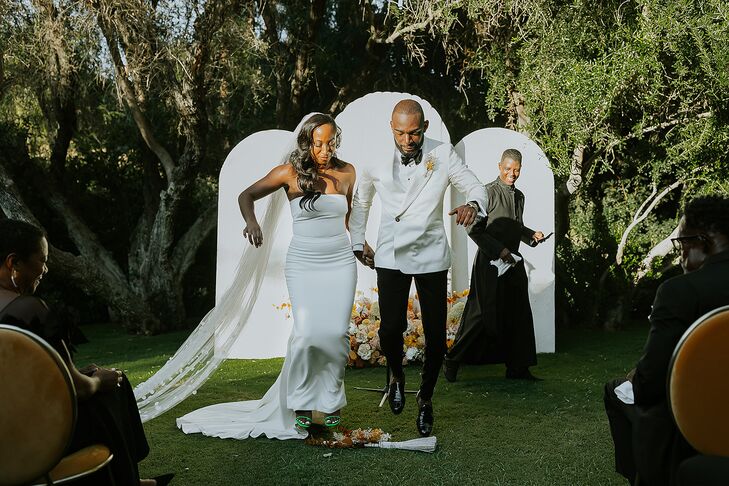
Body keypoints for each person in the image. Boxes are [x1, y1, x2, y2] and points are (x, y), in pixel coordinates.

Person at [177, 113, 357, 439]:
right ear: (307, 142)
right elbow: (245, 195)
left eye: (330, 142)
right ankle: (302, 404)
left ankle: (330, 404)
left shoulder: (347, 172)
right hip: (304, 262)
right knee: (306, 335)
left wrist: (363, 245)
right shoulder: (288, 173)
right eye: (319, 143)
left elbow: (349, 220)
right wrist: (251, 222)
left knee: (336, 335)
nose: (326, 149)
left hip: (341, 262)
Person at [349, 99, 487, 436]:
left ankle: (425, 398)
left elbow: (476, 186)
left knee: (437, 337)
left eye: (413, 133)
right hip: (390, 254)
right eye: (400, 133)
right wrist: (357, 240)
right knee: (389, 329)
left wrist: (473, 204)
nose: (407, 140)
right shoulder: (374, 160)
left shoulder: (443, 154)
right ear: (391, 129)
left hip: (430, 253)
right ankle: (397, 375)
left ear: (424, 128)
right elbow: (362, 202)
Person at [0, 219, 171, 486]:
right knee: (114, 385)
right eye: (41, 260)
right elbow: (77, 389)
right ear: (14, 262)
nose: (45, 269)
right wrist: (96, 379)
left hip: (7, 431)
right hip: (32, 440)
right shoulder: (29, 310)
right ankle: (128, 480)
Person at [603, 194, 729, 485]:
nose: (681, 256)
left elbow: (648, 386)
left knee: (618, 391)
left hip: (693, 433)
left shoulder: (680, 292)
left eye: (682, 245)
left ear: (702, 242)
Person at [444, 149, 546, 382]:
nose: (512, 174)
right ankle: (452, 360)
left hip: (513, 262)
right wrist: (499, 250)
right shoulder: (487, 193)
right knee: (481, 315)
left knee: (519, 314)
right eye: (508, 169)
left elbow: (516, 227)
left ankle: (518, 368)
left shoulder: (519, 196)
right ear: (499, 166)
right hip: (490, 264)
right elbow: (473, 229)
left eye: (516, 170)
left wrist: (532, 236)